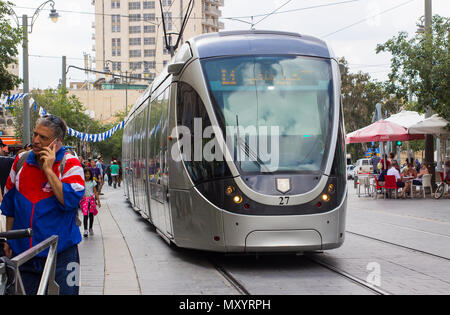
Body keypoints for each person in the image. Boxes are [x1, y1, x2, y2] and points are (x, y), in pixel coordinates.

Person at [0, 114, 85, 295]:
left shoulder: (70, 164)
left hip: (61, 255)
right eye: (35, 134)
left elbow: (69, 202)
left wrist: (48, 170)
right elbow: (9, 203)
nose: (36, 141)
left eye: (43, 138)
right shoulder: (21, 161)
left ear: (57, 141)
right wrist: (9, 239)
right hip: (23, 254)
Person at [80, 168, 100, 237]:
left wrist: (98, 201)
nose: (87, 175)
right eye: (86, 174)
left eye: (88, 174)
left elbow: (95, 192)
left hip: (91, 200)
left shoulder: (93, 182)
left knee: (91, 215)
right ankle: (85, 230)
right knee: (85, 215)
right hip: (84, 200)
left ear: (90, 175)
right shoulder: (82, 182)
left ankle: (90, 228)